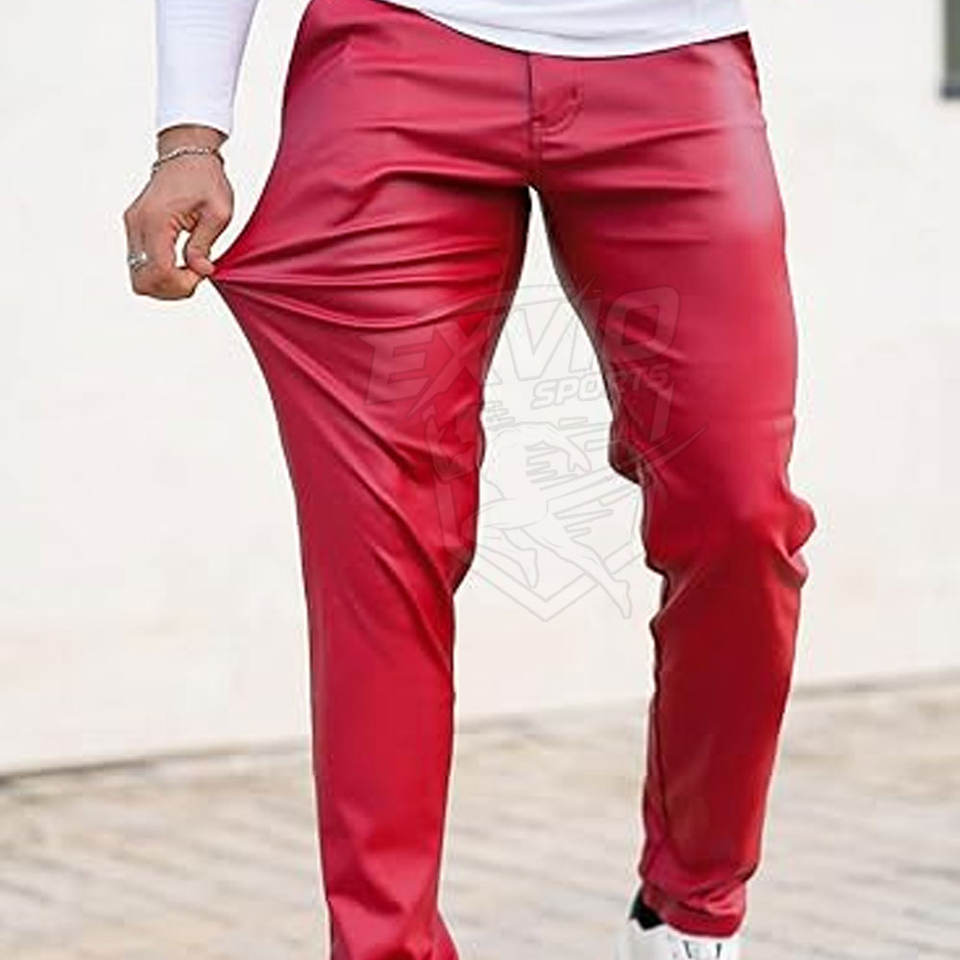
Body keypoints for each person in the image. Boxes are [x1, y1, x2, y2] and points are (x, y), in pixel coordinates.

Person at [123, 0, 817, 957]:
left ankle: (691, 908)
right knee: (379, 536)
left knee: (742, 512)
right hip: (397, 62)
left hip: (669, 65)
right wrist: (190, 132)